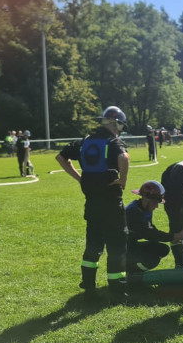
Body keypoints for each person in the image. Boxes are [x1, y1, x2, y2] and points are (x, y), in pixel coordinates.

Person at [56, 106, 131, 303]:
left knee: (93, 245)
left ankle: (88, 284)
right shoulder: (113, 141)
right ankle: (118, 289)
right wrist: (123, 179)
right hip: (111, 203)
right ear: (117, 124)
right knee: (116, 246)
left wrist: (79, 178)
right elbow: (124, 157)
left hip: (91, 203)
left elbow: (60, 157)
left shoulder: (85, 141)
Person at [124, 180, 180, 290]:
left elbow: (151, 228)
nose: (157, 206)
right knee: (152, 259)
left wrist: (171, 237)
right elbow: (149, 234)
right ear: (146, 199)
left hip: (131, 245)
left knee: (162, 249)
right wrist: (174, 236)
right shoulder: (133, 212)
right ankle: (131, 274)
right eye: (155, 202)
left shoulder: (143, 208)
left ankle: (132, 271)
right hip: (123, 250)